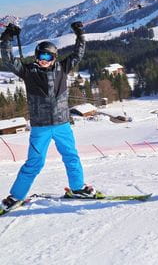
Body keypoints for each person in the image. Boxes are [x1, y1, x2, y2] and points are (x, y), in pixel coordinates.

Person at [0, 22, 96, 212]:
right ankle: (15, 196)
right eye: (40, 56)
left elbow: (78, 54)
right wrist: (7, 37)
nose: (43, 59)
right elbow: (8, 59)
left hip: (62, 125)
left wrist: (80, 35)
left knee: (71, 156)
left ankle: (77, 188)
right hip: (40, 127)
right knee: (35, 163)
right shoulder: (28, 72)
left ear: (54, 57)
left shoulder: (62, 68)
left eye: (47, 56)